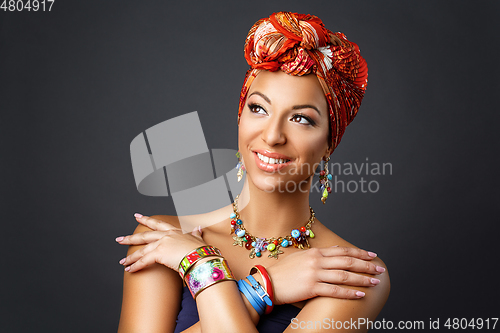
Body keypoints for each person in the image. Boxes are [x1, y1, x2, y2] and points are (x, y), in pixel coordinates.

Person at [116, 11, 390, 333]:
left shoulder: (350, 273)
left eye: (301, 118)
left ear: (329, 143)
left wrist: (202, 268)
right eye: (258, 108)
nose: (272, 135)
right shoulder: (165, 239)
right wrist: (262, 287)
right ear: (240, 118)